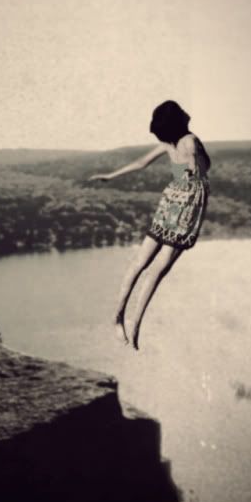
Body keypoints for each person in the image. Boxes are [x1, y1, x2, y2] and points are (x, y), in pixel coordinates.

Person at [87, 100, 211, 350]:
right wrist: (193, 169)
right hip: (186, 207)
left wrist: (110, 176)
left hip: (170, 200)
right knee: (158, 270)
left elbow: (141, 163)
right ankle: (135, 324)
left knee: (139, 263)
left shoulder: (167, 143)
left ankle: (118, 317)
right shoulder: (191, 140)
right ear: (179, 119)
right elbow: (201, 170)